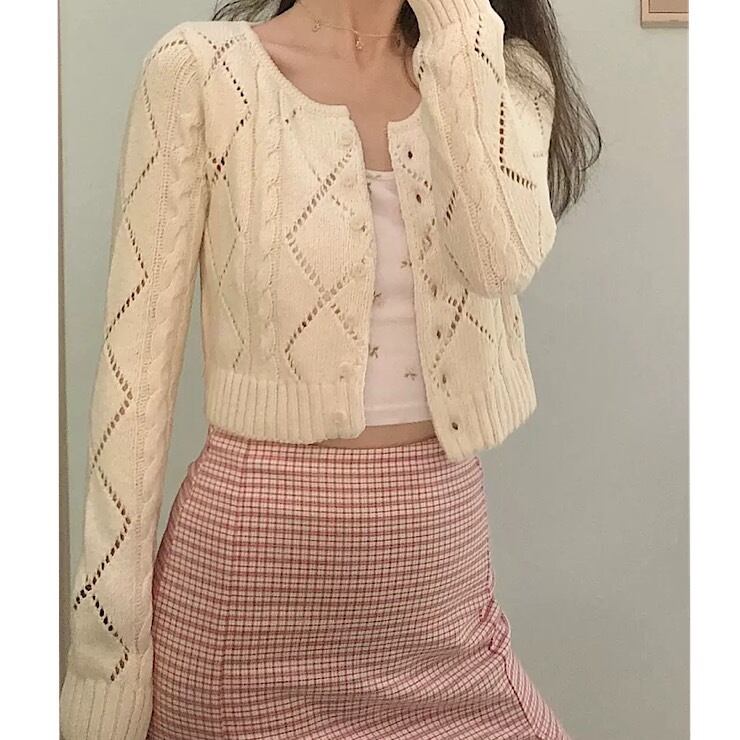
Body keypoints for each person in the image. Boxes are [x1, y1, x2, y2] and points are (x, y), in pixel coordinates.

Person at [60, 1, 601, 738]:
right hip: (241, 606)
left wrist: (457, 33)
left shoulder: (500, 72)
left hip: (440, 598)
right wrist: (108, 666)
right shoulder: (201, 72)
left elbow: (499, 260)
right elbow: (133, 386)